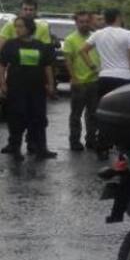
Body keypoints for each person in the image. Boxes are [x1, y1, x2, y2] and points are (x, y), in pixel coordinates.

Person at [82, 8, 130, 159]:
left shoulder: (98, 34)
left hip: (105, 77)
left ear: (106, 18)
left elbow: (82, 51)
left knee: (105, 112)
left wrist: (92, 66)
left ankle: (102, 145)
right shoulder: (128, 34)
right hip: (124, 78)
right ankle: (123, 147)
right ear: (118, 17)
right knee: (124, 114)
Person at [0, 16, 58, 159]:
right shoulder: (11, 44)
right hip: (16, 88)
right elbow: (2, 65)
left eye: (20, 26)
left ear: (29, 28)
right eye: (16, 26)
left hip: (37, 89)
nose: (17, 29)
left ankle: (41, 149)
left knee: (39, 118)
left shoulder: (39, 45)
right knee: (17, 117)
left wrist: (50, 85)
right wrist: (2, 83)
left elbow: (47, 66)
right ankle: (15, 148)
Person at [62, 11, 101, 151]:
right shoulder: (70, 39)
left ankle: (91, 140)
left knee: (93, 114)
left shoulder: (95, 37)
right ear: (76, 23)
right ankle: (74, 141)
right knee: (76, 115)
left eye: (86, 21)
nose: (84, 24)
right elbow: (68, 61)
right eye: (81, 21)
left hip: (94, 81)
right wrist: (74, 78)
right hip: (79, 82)